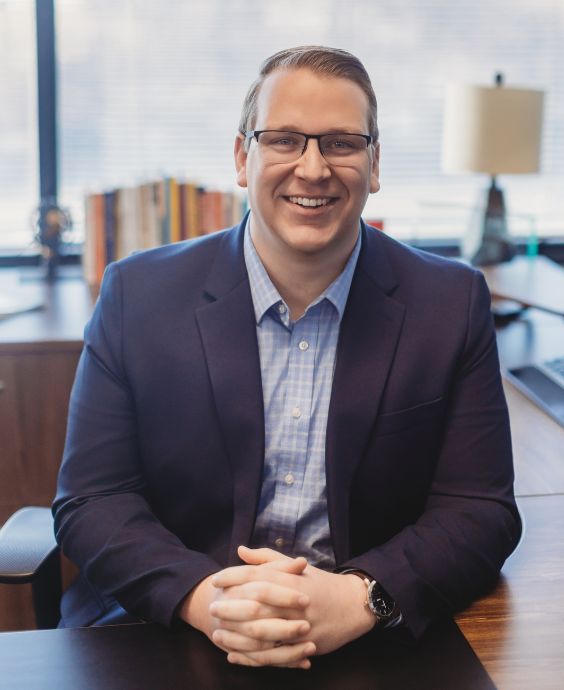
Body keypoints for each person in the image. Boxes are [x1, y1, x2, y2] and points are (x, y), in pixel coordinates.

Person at [53, 46, 521, 670]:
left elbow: (479, 511)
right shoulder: (136, 296)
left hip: (370, 634)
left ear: (374, 164)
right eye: (284, 140)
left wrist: (361, 598)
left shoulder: (450, 301)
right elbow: (92, 500)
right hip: (165, 625)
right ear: (243, 158)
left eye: (341, 143)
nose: (313, 168)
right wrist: (207, 599)